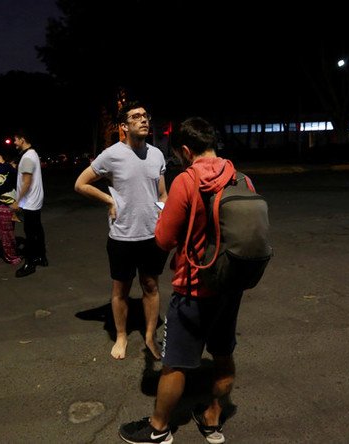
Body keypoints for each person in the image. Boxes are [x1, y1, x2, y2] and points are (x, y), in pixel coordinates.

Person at [119, 117, 245, 444]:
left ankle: (159, 428)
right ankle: (212, 418)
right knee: (222, 354)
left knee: (174, 363)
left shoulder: (187, 181)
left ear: (186, 150)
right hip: (230, 285)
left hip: (193, 287)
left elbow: (163, 238)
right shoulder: (242, 179)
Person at [74, 101, 168, 360]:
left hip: (152, 234)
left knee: (151, 285)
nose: (143, 119)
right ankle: (122, 336)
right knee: (121, 290)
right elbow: (80, 184)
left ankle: (150, 336)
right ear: (124, 126)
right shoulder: (111, 155)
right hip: (122, 236)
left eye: (145, 115)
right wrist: (109, 200)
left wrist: (164, 214)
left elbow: (162, 193)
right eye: (136, 116)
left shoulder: (157, 154)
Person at [11, 129, 48, 278]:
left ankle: (30, 263)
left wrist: (17, 201)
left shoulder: (27, 157)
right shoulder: (33, 154)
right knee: (37, 230)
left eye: (15, 139)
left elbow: (26, 182)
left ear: (22, 139)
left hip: (30, 202)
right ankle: (41, 257)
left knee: (30, 234)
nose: (14, 142)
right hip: (36, 200)